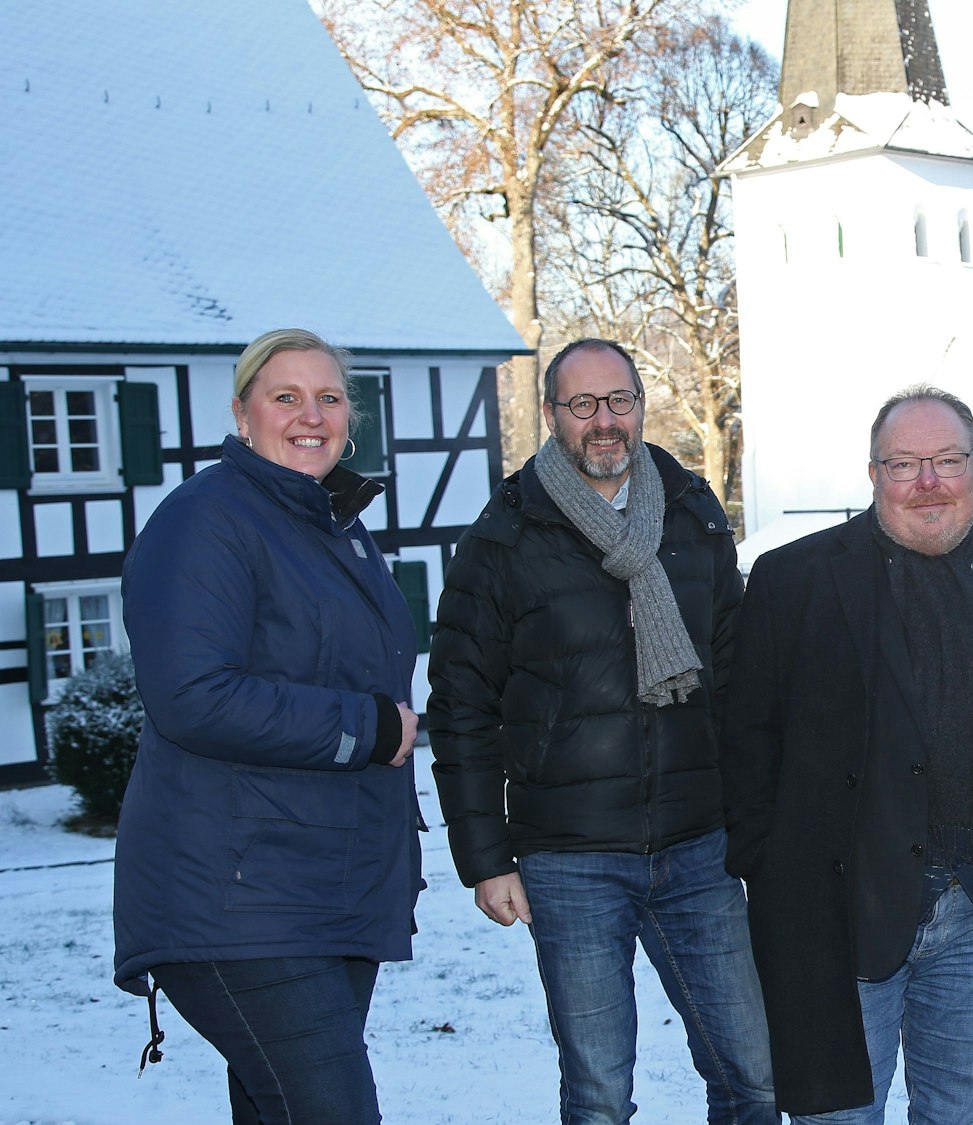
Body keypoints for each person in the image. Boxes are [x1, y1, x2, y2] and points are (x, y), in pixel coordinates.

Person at [427, 338, 775, 1125]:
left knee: (754, 1079)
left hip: (697, 847)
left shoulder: (691, 510)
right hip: (570, 858)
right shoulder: (506, 535)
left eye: (618, 400)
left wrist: (753, 822)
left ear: (641, 403)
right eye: (582, 404)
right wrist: (487, 858)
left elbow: (737, 678)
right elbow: (461, 703)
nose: (604, 421)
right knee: (599, 1096)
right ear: (552, 415)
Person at [720, 386, 973, 1122]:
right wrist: (769, 864)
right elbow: (742, 741)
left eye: (947, 459)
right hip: (840, 917)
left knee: (961, 1111)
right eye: (904, 463)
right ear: (872, 472)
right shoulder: (793, 581)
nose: (928, 481)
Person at [112, 328, 422, 1124]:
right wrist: (370, 726)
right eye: (285, 396)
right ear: (243, 413)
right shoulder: (205, 520)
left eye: (328, 397)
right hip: (239, 897)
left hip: (326, 886)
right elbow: (193, 694)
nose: (310, 414)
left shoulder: (332, 525)